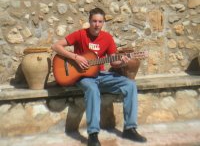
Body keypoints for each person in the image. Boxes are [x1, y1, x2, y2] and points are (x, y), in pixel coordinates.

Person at [52, 7, 147, 146]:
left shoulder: (107, 38)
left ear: (103, 23)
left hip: (101, 75)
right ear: (89, 21)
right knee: (92, 89)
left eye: (100, 22)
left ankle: (130, 128)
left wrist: (122, 62)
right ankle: (93, 134)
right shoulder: (80, 34)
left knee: (130, 84)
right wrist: (76, 57)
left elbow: (113, 61)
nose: (97, 24)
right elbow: (56, 46)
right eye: (94, 21)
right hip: (83, 77)